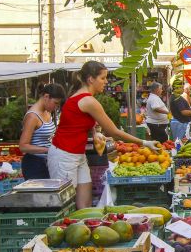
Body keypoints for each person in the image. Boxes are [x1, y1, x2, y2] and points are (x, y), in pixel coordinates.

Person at [48, 61, 158, 209]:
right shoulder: (88, 101)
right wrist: (144, 142)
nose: (106, 82)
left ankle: (85, 227)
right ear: (91, 79)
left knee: (85, 204)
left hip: (78, 155)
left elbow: (77, 123)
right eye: (103, 78)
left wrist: (94, 133)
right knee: (64, 205)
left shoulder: (82, 98)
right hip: (64, 155)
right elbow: (113, 131)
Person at [19, 83, 66, 180]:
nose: (56, 107)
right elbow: (23, 146)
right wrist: (48, 150)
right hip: (34, 164)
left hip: (46, 162)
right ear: (46, 97)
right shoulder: (32, 117)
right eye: (56, 103)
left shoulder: (47, 112)